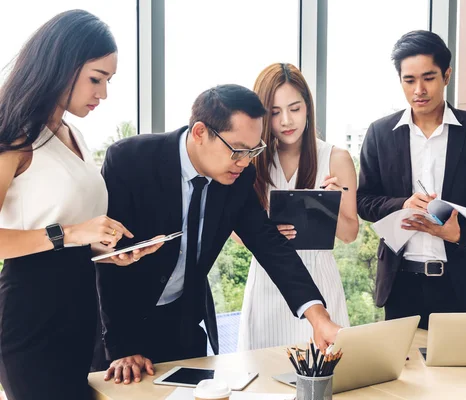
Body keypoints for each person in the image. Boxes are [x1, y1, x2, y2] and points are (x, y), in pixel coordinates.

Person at [98, 84, 341, 385]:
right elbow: (106, 261)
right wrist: (122, 348)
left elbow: (268, 243)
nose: (245, 161)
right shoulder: (131, 161)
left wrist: (318, 317)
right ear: (200, 132)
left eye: (254, 151)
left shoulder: (239, 176)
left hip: (183, 331)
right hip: (118, 335)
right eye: (238, 150)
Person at [0, 10, 162, 400]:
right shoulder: (15, 134)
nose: (102, 93)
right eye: (95, 78)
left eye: (108, 81)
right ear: (61, 65)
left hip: (80, 315)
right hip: (31, 321)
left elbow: (63, 237)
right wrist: (72, 233)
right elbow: (49, 235)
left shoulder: (73, 134)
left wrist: (108, 250)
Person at [356, 30, 466, 329]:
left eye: (428, 78)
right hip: (401, 284)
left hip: (463, 285)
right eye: (409, 80)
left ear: (446, 75)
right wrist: (402, 204)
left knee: (463, 373)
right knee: (405, 373)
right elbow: (363, 200)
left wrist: (459, 232)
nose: (419, 90)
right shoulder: (380, 133)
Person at [236, 63, 357, 351]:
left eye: (295, 108)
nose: (286, 120)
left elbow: (350, 233)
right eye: (275, 112)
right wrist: (265, 233)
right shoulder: (252, 159)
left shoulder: (336, 158)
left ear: (308, 107)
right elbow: (235, 226)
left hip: (320, 277)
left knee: (328, 376)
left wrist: (330, 207)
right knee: (263, 379)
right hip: (268, 278)